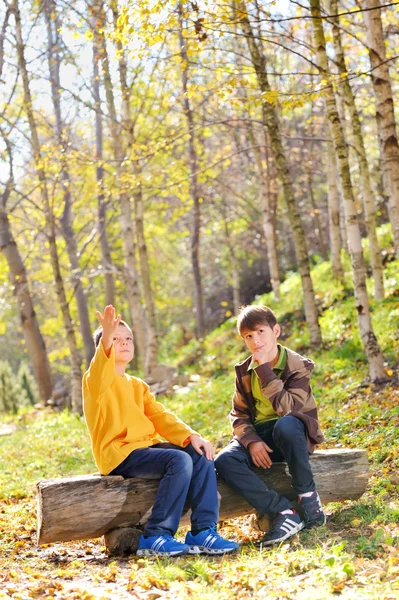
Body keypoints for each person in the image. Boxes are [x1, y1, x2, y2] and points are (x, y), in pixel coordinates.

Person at [83, 305, 238, 557]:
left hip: (146, 449)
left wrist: (191, 436)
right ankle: (156, 535)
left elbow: (160, 416)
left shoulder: (137, 385)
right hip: (119, 454)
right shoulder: (95, 380)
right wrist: (106, 343)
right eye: (115, 339)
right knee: (178, 459)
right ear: (104, 347)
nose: (124, 343)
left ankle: (203, 531)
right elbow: (100, 366)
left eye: (128, 339)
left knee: (199, 454)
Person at [215, 305, 326, 546]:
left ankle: (308, 497)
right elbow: (239, 414)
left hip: (292, 433)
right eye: (248, 336)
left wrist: (265, 370)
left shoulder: (298, 365)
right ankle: (284, 513)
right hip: (262, 437)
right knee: (224, 460)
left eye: (261, 332)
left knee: (285, 425)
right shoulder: (244, 371)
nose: (256, 341)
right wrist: (252, 441)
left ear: (276, 330)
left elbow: (289, 409)